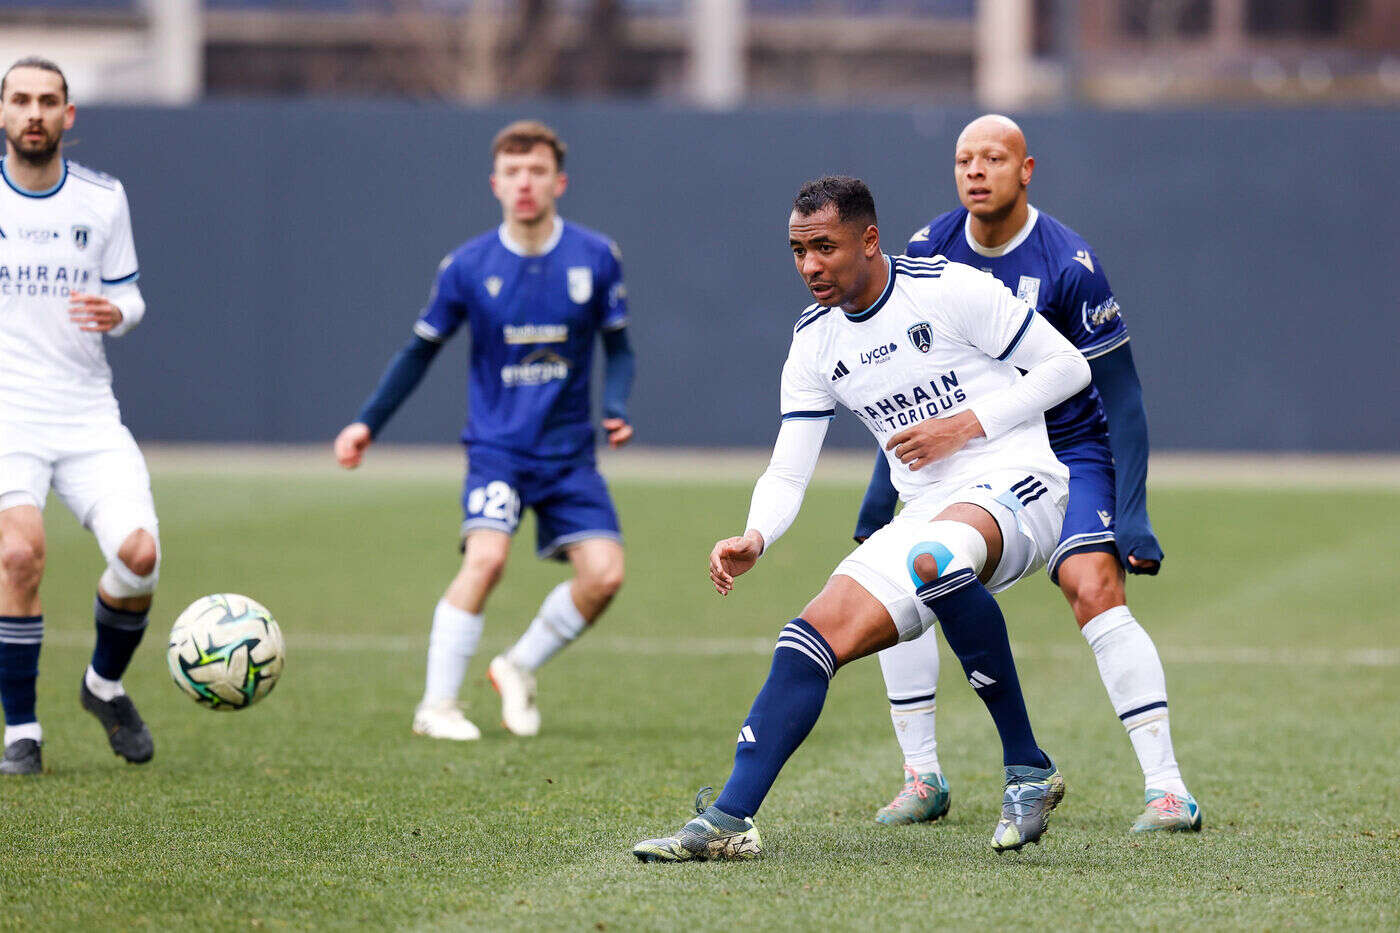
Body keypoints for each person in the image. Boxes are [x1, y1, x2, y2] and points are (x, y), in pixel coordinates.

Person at [633, 175, 1091, 862]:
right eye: (797, 250)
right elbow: (789, 469)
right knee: (809, 634)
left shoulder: (946, 288)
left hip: (1020, 481)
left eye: (825, 246)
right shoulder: (815, 342)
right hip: (928, 512)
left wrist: (964, 424)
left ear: (869, 239)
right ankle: (729, 820)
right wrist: (757, 533)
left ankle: (1027, 767)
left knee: (936, 560)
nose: (810, 264)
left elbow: (1068, 365)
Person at [855, 114, 1200, 833]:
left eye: (993, 158)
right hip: (973, 456)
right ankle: (922, 777)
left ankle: (1168, 790)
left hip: (1071, 450)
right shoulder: (928, 248)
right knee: (905, 569)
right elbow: (908, 386)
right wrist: (880, 493)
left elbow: (1125, 397)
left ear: (1027, 169)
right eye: (963, 159)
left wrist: (1133, 513)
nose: (976, 170)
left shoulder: (1070, 263)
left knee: (1092, 584)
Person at [334, 120, 634, 741]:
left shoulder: (596, 256)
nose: (526, 183)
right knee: (488, 558)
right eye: (514, 172)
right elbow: (418, 353)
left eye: (538, 172)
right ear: (495, 183)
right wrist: (367, 423)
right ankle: (436, 707)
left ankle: (517, 666)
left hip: (569, 455)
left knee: (605, 575)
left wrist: (617, 404)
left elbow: (621, 348)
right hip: (499, 449)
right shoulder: (467, 266)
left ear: (559, 182)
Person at [0, 57, 160, 776]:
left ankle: (103, 685)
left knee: (140, 557)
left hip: (89, 412)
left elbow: (131, 296)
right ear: (2, 112)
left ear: (70, 117)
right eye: (21, 99)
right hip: (9, 412)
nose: (34, 112)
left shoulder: (103, 199)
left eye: (49, 101)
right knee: (18, 552)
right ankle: (22, 732)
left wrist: (116, 313)